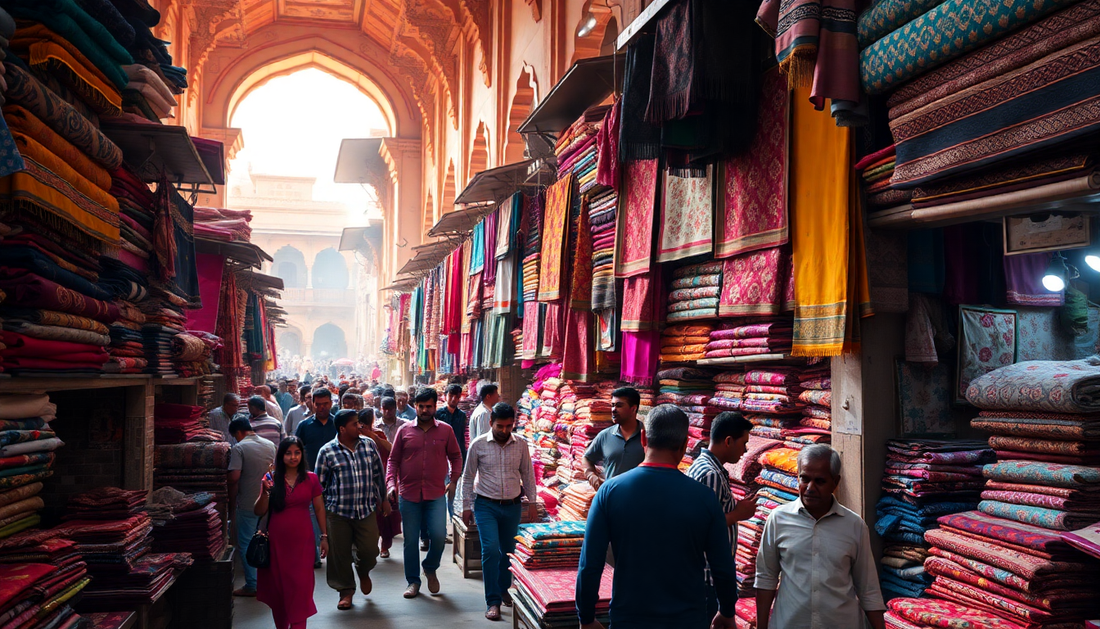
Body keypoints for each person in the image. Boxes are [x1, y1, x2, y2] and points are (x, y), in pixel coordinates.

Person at [575, 405, 738, 629]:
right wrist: (727, 611)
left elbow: (590, 564)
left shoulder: (610, 492)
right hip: (688, 620)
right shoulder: (705, 498)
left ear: (643, 437)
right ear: (684, 445)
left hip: (630, 619)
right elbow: (723, 566)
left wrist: (586, 617)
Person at [754, 445, 886, 629]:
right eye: (804, 479)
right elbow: (766, 577)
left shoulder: (854, 526)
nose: (810, 488)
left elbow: (868, 588)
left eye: (820, 481)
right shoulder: (778, 520)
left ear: (835, 482)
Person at [461, 403, 537, 621]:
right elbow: (467, 478)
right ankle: (492, 601)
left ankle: (504, 588)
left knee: (508, 551)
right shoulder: (478, 445)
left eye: (509, 426)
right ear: (490, 422)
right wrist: (466, 506)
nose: (505, 431)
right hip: (486, 505)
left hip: (512, 506)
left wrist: (532, 502)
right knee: (491, 550)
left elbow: (528, 474)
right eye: (500, 426)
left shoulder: (521, 444)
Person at [386, 387, 463, 598]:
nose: (425, 410)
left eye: (429, 406)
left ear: (435, 406)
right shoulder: (404, 431)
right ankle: (413, 581)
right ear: (415, 407)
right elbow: (393, 460)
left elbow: (456, 457)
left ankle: (430, 566)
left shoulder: (446, 431)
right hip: (408, 495)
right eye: (421, 406)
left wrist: (454, 480)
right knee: (410, 541)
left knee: (438, 537)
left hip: (436, 494)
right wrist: (391, 484)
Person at [314, 409, 390, 610]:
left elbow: (378, 475)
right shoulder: (327, 452)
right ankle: (346, 591)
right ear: (342, 428)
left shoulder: (369, 445)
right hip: (338, 512)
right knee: (339, 555)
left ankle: (363, 570)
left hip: (366, 509)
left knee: (369, 550)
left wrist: (384, 499)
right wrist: (321, 520)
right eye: (355, 424)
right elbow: (318, 488)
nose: (360, 427)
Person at [687, 412, 758, 618]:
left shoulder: (709, 468)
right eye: (743, 443)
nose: (745, 450)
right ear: (728, 441)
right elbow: (702, 527)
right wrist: (738, 514)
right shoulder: (711, 474)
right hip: (707, 576)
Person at [254, 437, 329, 629]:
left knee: (300, 587)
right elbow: (259, 510)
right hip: (277, 542)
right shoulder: (270, 478)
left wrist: (324, 536)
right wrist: (265, 492)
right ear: (281, 455)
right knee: (278, 588)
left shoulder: (311, 478)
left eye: (297, 452)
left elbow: (320, 509)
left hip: (303, 542)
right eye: (288, 453)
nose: (293, 457)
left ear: (302, 454)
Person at [228, 418, 277, 597]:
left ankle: (253, 584)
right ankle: (268, 580)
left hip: (248, 502)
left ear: (238, 433)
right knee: (267, 540)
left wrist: (231, 499)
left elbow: (234, 477)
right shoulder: (270, 445)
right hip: (268, 500)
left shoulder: (239, 448)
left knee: (247, 542)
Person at [295, 387, 338, 565]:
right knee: (311, 516)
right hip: (311, 479)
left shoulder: (338, 424)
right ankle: (314, 556)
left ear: (331, 403)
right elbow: (296, 451)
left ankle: (335, 553)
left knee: (333, 517)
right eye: (318, 404)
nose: (322, 408)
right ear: (312, 404)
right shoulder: (304, 426)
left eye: (325, 404)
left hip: (336, 480)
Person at [581, 387, 644, 490]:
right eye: (613, 405)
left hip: (639, 499)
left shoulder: (647, 436)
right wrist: (591, 474)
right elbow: (587, 458)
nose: (613, 410)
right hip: (611, 496)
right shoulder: (605, 435)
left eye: (619, 406)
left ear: (633, 409)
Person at [435, 383, 468, 519]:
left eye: (457, 396)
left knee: (454, 486)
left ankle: (452, 515)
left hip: (457, 455)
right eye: (451, 396)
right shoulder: (438, 414)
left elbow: (462, 437)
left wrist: (464, 456)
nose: (454, 399)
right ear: (445, 397)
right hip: (441, 456)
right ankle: (441, 516)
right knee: (441, 487)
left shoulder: (462, 416)